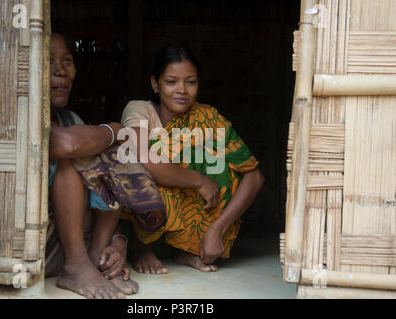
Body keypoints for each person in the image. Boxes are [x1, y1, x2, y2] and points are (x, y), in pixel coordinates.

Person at [120, 44, 265, 273]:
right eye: (171, 82)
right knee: (135, 163)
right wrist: (199, 180)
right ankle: (142, 246)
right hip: (146, 221)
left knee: (213, 156)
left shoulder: (207, 118)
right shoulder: (140, 110)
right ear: (155, 84)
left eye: (190, 82)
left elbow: (254, 176)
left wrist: (217, 229)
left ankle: (188, 248)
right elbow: (144, 160)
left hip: (198, 227)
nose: (182, 90)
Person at [46, 32, 138, 299]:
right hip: (31, 249)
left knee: (114, 155)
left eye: (67, 60)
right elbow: (66, 145)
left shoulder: (70, 118)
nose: (61, 71)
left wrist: (118, 243)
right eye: (49, 61)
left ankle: (97, 257)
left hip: (76, 246)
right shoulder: (16, 114)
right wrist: (115, 129)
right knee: (75, 158)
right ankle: (76, 266)